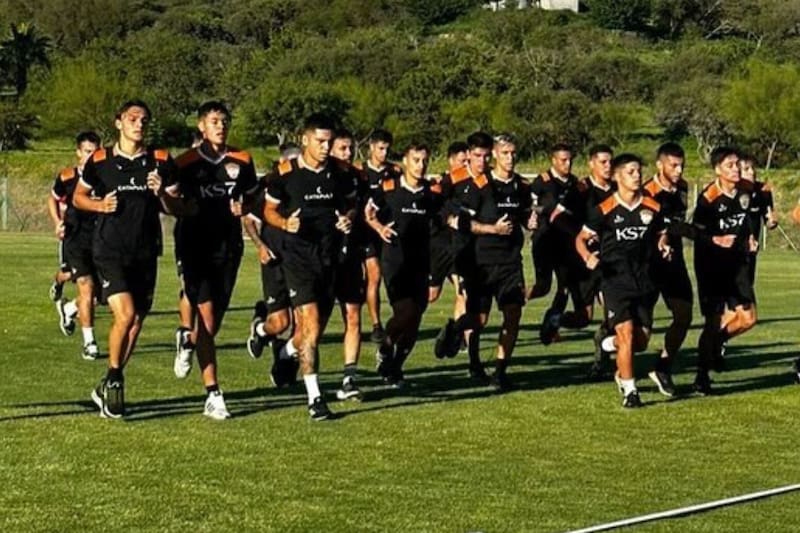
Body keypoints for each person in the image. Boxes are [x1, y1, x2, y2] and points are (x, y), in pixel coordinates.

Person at [74, 100, 178, 419]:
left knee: (136, 322)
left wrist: (163, 193)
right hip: (109, 250)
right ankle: (117, 380)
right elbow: (79, 197)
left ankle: (107, 380)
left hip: (146, 252)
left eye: (144, 119)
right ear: (119, 122)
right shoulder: (101, 159)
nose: (139, 124)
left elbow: (181, 207)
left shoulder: (160, 160)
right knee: (126, 314)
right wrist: (99, 206)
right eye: (132, 118)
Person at [168, 101, 259, 419]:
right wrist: (180, 205)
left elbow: (254, 196)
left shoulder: (242, 159)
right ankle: (213, 394)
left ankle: (187, 341)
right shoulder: (185, 162)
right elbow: (170, 201)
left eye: (225, 121)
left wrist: (245, 206)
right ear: (201, 126)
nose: (221, 126)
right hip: (195, 246)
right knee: (205, 319)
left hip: (229, 247)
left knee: (212, 324)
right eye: (214, 120)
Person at [264, 113, 356, 420]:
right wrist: (285, 224)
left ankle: (284, 353)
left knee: (307, 333)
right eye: (320, 141)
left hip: (329, 260)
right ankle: (315, 399)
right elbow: (269, 210)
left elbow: (351, 204)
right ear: (305, 140)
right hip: (297, 260)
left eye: (329, 142)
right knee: (312, 326)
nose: (326, 147)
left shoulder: (340, 173)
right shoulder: (285, 174)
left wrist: (348, 218)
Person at [575, 154, 671, 408]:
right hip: (614, 280)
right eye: (630, 172)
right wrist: (587, 257)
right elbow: (581, 239)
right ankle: (630, 391)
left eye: (639, 171)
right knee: (626, 333)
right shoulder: (604, 210)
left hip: (645, 281)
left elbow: (662, 233)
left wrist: (664, 245)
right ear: (617, 177)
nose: (637, 176)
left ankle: (608, 344)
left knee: (640, 342)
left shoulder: (653, 207)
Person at [455, 134, 535, 391]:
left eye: (513, 153)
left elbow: (524, 215)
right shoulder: (480, 185)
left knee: (513, 314)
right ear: (495, 156)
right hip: (482, 261)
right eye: (505, 153)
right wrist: (491, 229)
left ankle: (500, 372)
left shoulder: (522, 187)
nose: (510, 158)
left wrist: (529, 222)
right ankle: (459, 334)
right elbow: (465, 223)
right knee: (480, 319)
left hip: (511, 261)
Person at [365, 142, 442, 387]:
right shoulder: (389, 190)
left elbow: (442, 220)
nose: (421, 166)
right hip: (395, 262)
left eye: (424, 161)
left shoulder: (432, 194)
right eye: (416, 160)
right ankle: (386, 344)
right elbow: (368, 212)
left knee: (415, 319)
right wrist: (379, 228)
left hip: (421, 263)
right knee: (405, 312)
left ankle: (395, 366)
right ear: (406, 162)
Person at [691, 147, 758, 395]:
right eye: (730, 165)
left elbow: (745, 219)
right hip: (711, 267)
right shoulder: (708, 198)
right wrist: (715, 241)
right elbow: (695, 231)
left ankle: (717, 342)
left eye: (738, 165)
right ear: (718, 169)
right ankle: (701, 375)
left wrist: (749, 237)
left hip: (737, 265)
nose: (737, 169)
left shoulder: (745, 192)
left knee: (749, 318)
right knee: (712, 322)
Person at [544, 145, 616, 361]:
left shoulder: (617, 188)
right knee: (583, 318)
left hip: (609, 260)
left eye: (610, 162)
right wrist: (582, 233)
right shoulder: (581, 189)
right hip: (582, 262)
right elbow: (556, 216)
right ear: (591, 164)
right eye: (603, 162)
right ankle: (556, 320)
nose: (608, 166)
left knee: (613, 313)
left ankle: (601, 356)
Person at [636, 143, 694, 397]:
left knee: (684, 315)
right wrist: (659, 238)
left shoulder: (683, 188)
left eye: (682, 165)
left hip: (674, 263)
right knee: (641, 336)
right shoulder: (646, 192)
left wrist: (670, 237)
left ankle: (662, 367)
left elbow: (677, 223)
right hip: (648, 265)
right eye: (674, 165)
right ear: (660, 165)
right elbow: (641, 231)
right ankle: (608, 340)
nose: (679, 170)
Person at [48, 131, 102, 359]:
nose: (91, 156)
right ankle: (89, 342)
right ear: (79, 152)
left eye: (95, 152)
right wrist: (58, 222)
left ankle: (68, 309)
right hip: (75, 238)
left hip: (101, 240)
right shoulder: (68, 176)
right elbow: (52, 197)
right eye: (87, 151)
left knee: (99, 296)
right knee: (82, 284)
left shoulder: (105, 177)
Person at [529, 144, 581, 346]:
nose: (567, 164)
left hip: (566, 244)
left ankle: (551, 325)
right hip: (545, 240)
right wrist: (544, 210)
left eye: (570, 160)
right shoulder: (542, 182)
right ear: (553, 160)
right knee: (543, 287)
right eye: (563, 160)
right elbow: (533, 206)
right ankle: (516, 297)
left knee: (565, 287)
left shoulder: (575, 183)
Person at [330, 128, 367, 401]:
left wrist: (350, 216)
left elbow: (357, 206)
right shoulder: (316, 176)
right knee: (312, 324)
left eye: (350, 148)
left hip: (350, 255)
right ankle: (288, 354)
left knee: (353, 315)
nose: (348, 154)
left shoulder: (356, 178)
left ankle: (349, 377)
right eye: (342, 148)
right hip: (320, 257)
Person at [359, 129, 400, 343]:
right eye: (381, 148)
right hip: (368, 232)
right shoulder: (361, 172)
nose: (384, 153)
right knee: (374, 275)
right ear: (371, 147)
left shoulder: (395, 172)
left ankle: (398, 316)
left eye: (387, 148)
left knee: (392, 276)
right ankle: (376, 324)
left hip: (390, 231)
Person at [173, 130, 203, 369]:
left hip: (221, 241)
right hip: (189, 234)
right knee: (188, 287)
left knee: (209, 305)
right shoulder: (183, 165)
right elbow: (170, 196)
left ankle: (193, 339)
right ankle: (185, 334)